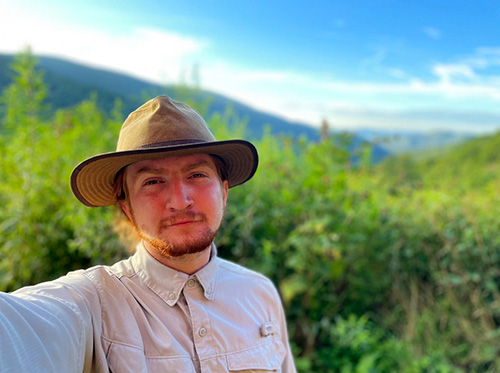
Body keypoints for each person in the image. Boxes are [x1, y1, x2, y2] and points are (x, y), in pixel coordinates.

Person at [0, 96, 296, 372]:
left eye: (197, 175)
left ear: (224, 191)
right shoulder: (92, 305)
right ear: (127, 208)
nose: (180, 200)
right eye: (153, 181)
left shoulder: (260, 294)